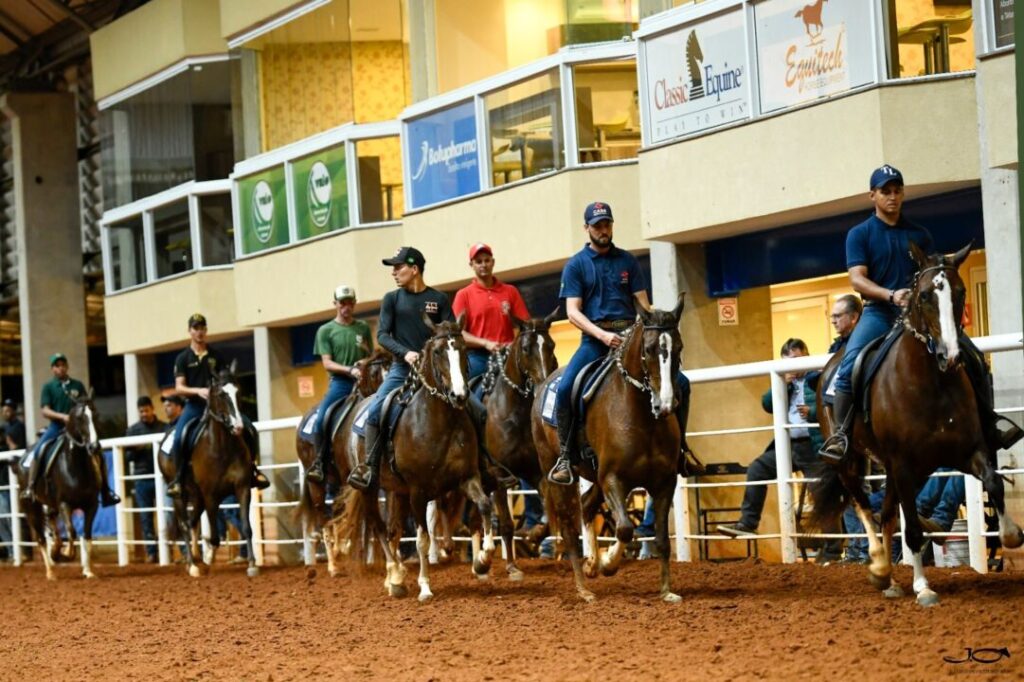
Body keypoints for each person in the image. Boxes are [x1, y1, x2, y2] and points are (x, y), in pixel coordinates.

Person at [819, 164, 1022, 464]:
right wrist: (890, 294)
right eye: (885, 191)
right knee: (849, 364)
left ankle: (988, 422)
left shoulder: (919, 234)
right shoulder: (859, 234)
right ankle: (841, 436)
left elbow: (933, 274)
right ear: (872, 195)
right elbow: (857, 279)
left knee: (972, 357)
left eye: (897, 190)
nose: (892, 196)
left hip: (919, 315)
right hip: (879, 312)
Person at [546, 201, 693, 486]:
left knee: (683, 383)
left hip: (631, 338)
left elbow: (643, 305)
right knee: (566, 387)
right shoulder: (576, 265)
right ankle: (565, 456)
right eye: (597, 226)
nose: (603, 230)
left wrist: (643, 332)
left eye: (607, 224)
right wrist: (602, 336)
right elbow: (572, 312)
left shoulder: (628, 261)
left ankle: (682, 451)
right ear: (586, 228)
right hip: (595, 339)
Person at [347, 247, 454, 491]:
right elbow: (382, 335)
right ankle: (369, 469)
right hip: (401, 371)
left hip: (438, 374)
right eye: (393, 268)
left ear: (414, 269)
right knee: (374, 413)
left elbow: (450, 332)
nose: (394, 273)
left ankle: (485, 463)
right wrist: (405, 353)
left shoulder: (439, 300)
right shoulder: (392, 299)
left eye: (398, 267)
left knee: (475, 408)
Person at [719, 340, 829, 546]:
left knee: (821, 493)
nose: (792, 366)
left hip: (814, 445)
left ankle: (832, 547)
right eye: (787, 361)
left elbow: (831, 406)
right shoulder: (782, 380)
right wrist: (783, 382)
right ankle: (748, 524)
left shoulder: (820, 376)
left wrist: (813, 412)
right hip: (787, 444)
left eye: (796, 360)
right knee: (757, 470)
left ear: (807, 356)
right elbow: (767, 404)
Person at [165, 314, 269, 498]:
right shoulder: (183, 358)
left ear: (206, 330)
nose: (199, 332)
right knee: (180, 437)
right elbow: (179, 387)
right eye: (196, 328)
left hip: (219, 406)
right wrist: (198, 391)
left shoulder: (216, 355)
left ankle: (253, 470)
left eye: (202, 328)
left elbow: (225, 378)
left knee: (248, 427)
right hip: (195, 406)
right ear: (189, 331)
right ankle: (179, 479)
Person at [21, 353, 120, 505]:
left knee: (98, 453)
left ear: (67, 366)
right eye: (57, 365)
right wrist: (62, 417)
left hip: (77, 429)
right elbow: (45, 410)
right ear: (53, 369)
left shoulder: (77, 385)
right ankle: (31, 487)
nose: (60, 368)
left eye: (63, 364)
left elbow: (86, 404)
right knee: (39, 450)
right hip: (56, 426)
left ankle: (106, 491)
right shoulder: (49, 387)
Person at [305, 285, 373, 483]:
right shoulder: (326, 330)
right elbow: (327, 362)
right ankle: (318, 461)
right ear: (335, 304)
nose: (346, 307)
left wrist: (364, 363)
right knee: (322, 417)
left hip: (364, 380)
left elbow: (370, 354)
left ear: (354, 304)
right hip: (341, 382)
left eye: (350, 303)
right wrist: (349, 369)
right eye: (342, 303)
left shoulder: (363, 327)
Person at [452, 242, 530, 380]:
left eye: (487, 260)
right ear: (471, 265)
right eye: (478, 261)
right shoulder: (463, 295)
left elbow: (525, 325)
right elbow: (457, 334)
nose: (483, 264)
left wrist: (514, 344)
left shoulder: (510, 291)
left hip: (510, 354)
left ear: (493, 262)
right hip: (478, 357)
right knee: (459, 385)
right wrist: (486, 343)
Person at [125, 396, 165, 562]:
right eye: (141, 411)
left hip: (162, 476)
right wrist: (136, 450)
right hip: (142, 477)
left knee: (168, 513)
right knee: (146, 516)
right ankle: (152, 552)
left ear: (152, 409)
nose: (144, 414)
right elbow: (127, 456)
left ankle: (171, 550)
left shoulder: (163, 426)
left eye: (146, 410)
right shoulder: (133, 430)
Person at [0, 399, 25, 560]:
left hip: (11, 480)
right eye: (4, 410)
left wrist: (7, 439)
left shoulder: (18, 427)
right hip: (2, 481)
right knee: (2, 518)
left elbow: (15, 448)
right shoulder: (4, 428)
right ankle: (11, 550)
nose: (5, 412)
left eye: (8, 409)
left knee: (11, 517)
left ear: (14, 410)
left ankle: (19, 551)